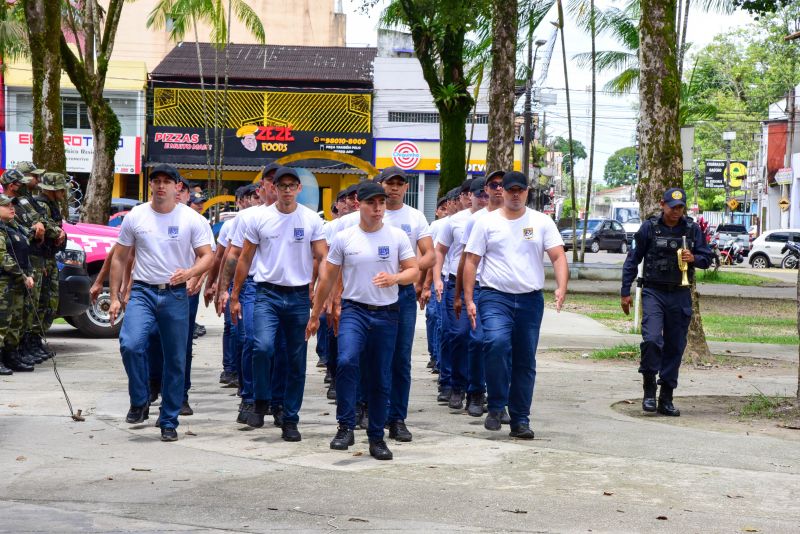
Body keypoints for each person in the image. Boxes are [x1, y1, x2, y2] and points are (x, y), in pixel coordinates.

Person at [306, 181, 419, 460]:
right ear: (360, 204)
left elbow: (414, 271)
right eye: (372, 203)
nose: (378, 208)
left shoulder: (396, 237)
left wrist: (395, 278)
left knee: (380, 375)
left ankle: (377, 437)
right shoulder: (346, 238)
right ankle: (345, 426)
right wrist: (315, 314)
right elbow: (328, 277)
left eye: (381, 203)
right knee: (346, 361)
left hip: (386, 312)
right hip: (354, 311)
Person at [109, 164, 214, 442]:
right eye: (156, 180)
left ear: (177, 187)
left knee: (176, 359)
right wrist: (114, 297)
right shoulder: (136, 216)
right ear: (151, 185)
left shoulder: (191, 219)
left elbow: (207, 256)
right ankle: (140, 398)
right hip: (143, 291)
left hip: (175, 293)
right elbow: (120, 257)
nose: (161, 186)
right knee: (130, 344)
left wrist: (191, 273)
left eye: (167, 181)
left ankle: (168, 419)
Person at [463, 171, 568, 438]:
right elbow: (471, 260)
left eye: (520, 190)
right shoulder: (486, 223)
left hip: (530, 300)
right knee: (496, 344)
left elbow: (557, 256)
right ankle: (497, 405)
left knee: (524, 360)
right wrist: (467, 298)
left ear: (527, 192)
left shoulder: (542, 222)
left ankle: (521, 419)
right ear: (503, 192)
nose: (515, 194)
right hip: (494, 296)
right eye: (510, 190)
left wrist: (561, 286)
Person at [229, 167, 327, 442]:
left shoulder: (310, 220)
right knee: (262, 347)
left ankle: (290, 418)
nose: (286, 190)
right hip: (265, 294)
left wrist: (323, 294)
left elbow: (324, 257)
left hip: (297, 296)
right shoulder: (259, 218)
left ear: (298, 189)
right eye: (281, 185)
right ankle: (261, 399)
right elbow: (245, 258)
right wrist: (235, 295)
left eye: (291, 185)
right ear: (273, 187)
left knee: (295, 360)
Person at [620, 188, 712, 417]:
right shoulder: (649, 228)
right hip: (653, 291)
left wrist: (694, 258)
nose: (676, 212)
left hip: (680, 293)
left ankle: (667, 397)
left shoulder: (691, 228)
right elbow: (633, 259)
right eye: (672, 207)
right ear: (662, 204)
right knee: (651, 339)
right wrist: (625, 291)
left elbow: (707, 258)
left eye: (680, 208)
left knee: (675, 346)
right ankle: (649, 389)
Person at [374, 166, 435, 443]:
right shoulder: (372, 212)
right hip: (372, 293)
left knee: (400, 358)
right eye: (390, 183)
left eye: (400, 184)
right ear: (381, 184)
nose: (394, 188)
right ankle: (368, 409)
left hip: (403, 295)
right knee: (372, 356)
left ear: (406, 188)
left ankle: (397, 418)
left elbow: (430, 255)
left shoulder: (415, 217)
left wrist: (405, 271)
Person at [433, 177, 488, 413]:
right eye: (479, 195)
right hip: (456, 284)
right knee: (457, 335)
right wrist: (436, 279)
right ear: (468, 196)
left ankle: (477, 390)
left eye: (487, 194)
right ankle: (456, 385)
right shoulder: (454, 222)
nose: (484, 199)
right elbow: (440, 251)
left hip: (485, 286)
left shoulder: (495, 220)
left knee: (480, 339)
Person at [33, 173, 69, 351]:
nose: (63, 192)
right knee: (41, 302)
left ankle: (36, 340)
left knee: (50, 302)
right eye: (61, 189)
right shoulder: (40, 204)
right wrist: (57, 233)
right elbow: (43, 227)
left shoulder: (52, 205)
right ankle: (31, 341)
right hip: (41, 259)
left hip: (49, 257)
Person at [0, 194, 35, 374]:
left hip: (18, 281)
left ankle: (11, 356)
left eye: (12, 205)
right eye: (6, 206)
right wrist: (23, 275)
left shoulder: (12, 228)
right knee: (2, 321)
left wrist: (29, 273)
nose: (12, 208)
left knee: (16, 321)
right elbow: (3, 258)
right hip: (4, 282)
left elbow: (24, 253)